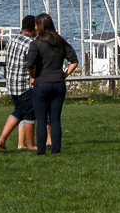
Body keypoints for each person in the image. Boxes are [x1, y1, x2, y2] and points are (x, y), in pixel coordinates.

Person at [24, 12, 79, 155]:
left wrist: (32, 77)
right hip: (58, 84)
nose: (35, 27)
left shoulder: (36, 43)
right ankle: (56, 150)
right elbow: (74, 61)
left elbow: (29, 64)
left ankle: (41, 151)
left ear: (40, 26)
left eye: (36, 25)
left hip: (41, 83)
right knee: (55, 119)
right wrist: (65, 74)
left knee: (41, 119)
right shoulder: (60, 41)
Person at [0, 15, 38, 151]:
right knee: (30, 114)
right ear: (34, 27)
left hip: (11, 83)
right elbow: (31, 64)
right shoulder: (31, 43)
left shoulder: (12, 39)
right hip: (24, 84)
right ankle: (30, 145)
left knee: (19, 111)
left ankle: (2, 138)